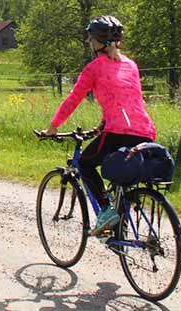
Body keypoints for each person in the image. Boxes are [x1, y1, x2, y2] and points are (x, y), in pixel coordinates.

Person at [41, 15, 157, 235]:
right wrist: (102, 125)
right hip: (145, 132)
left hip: (118, 132)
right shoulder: (131, 65)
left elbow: (73, 99)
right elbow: (127, 101)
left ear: (98, 42)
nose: (88, 41)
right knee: (120, 176)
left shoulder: (94, 68)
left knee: (85, 163)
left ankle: (106, 212)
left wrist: (54, 126)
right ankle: (120, 220)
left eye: (90, 37)